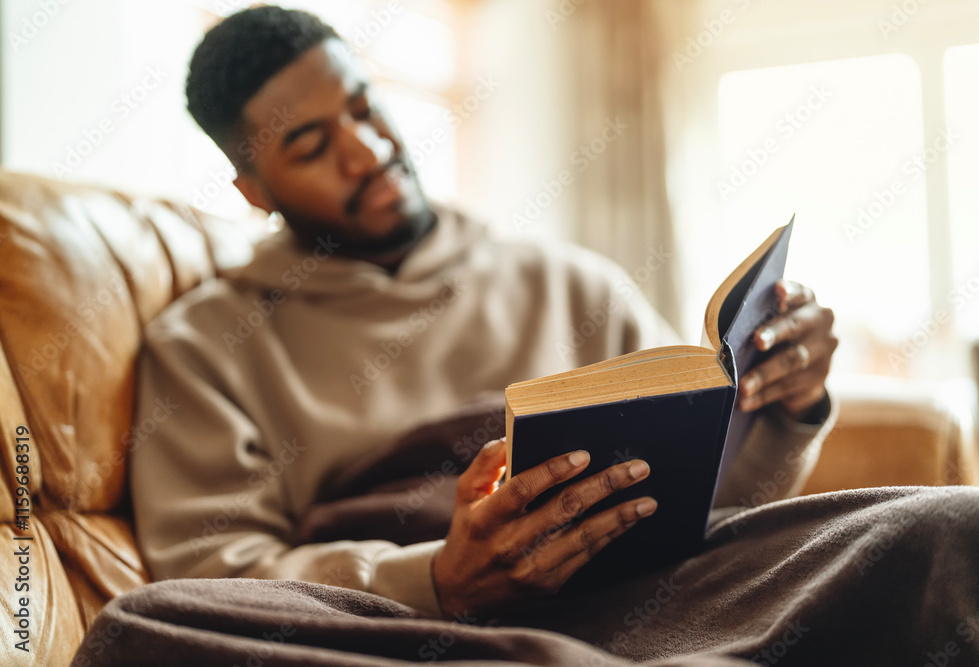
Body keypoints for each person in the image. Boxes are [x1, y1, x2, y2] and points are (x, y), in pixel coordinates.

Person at [129, 5, 840, 622]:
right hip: (406, 632)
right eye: (313, 146)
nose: (368, 151)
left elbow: (713, 507)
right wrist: (435, 579)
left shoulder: (571, 282)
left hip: (653, 599)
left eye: (363, 108)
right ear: (253, 191)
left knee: (926, 525)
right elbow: (211, 575)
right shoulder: (205, 346)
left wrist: (789, 401)